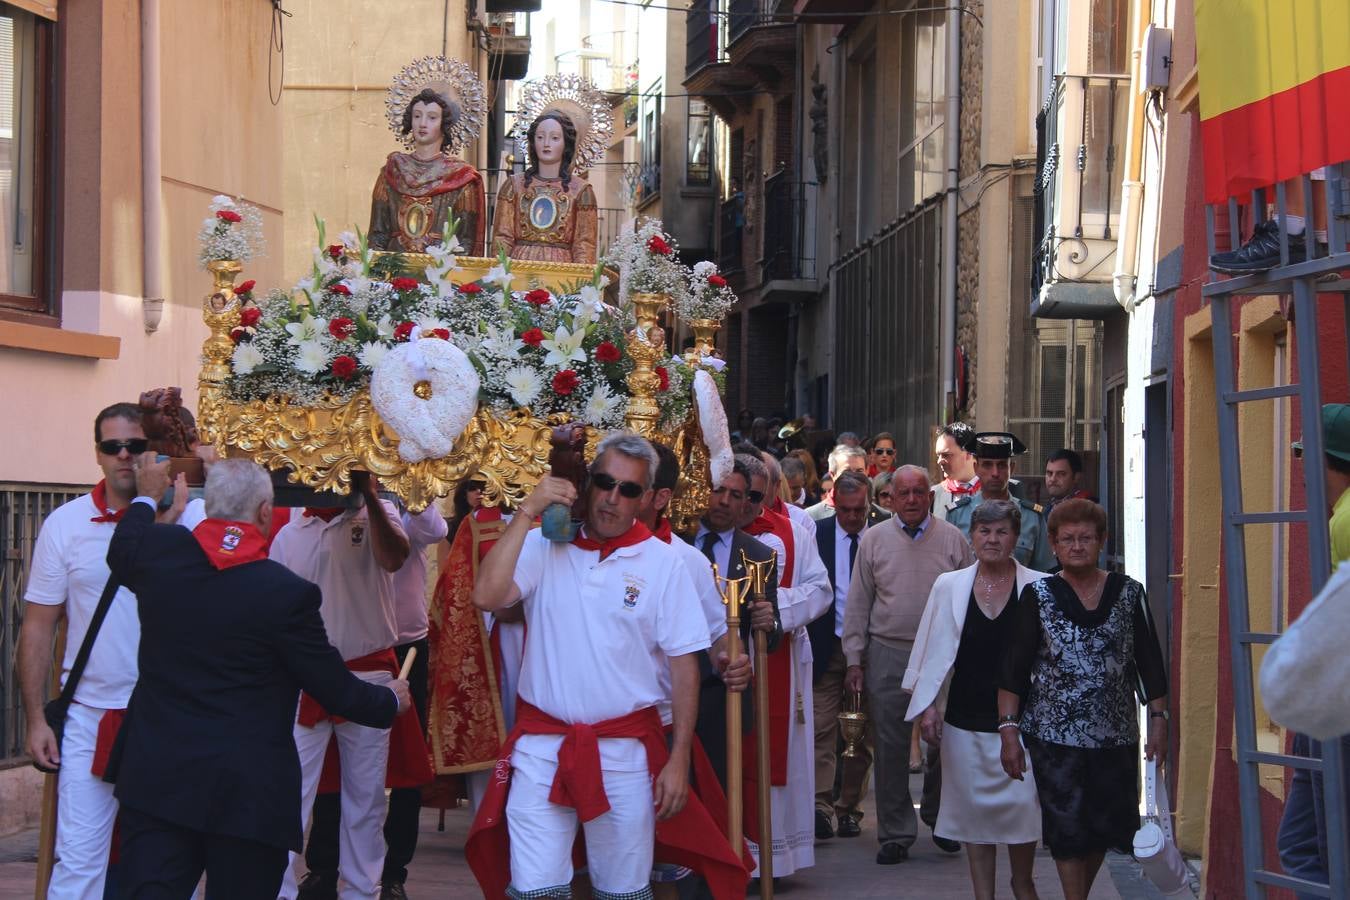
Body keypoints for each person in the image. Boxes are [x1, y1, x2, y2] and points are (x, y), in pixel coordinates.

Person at [101, 457, 410, 897]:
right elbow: (334, 688)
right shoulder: (286, 594)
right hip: (246, 793)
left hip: (159, 780)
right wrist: (390, 700)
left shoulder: (158, 554)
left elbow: (121, 548)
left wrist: (147, 496)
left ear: (209, 508)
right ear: (266, 511)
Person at [464, 432, 751, 899]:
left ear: (646, 499)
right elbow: (486, 596)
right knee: (535, 889)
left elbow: (684, 670)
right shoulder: (542, 545)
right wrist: (526, 512)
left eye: (629, 489)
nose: (613, 497)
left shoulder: (667, 563)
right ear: (586, 483)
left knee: (622, 890)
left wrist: (677, 761)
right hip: (541, 748)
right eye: (604, 482)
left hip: (625, 755)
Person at [999, 499, 1169, 900]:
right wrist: (1008, 730)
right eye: (1067, 539)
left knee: (1106, 828)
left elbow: (1149, 663)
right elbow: (1014, 669)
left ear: (1102, 541)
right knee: (1067, 826)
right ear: (1054, 545)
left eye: (1086, 538)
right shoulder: (1037, 595)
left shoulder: (1129, 593)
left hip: (1117, 736)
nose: (1077, 546)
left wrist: (1159, 720)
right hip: (1055, 738)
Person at [16, 403, 154, 898]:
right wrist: (36, 719)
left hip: (167, 713)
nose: (124, 456)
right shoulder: (65, 523)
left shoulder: (189, 516)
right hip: (89, 715)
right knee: (78, 859)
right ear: (96, 452)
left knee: (162, 859)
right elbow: (37, 630)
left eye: (135, 446)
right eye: (111, 446)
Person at [270, 473, 412, 900]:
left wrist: (367, 495)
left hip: (367, 675)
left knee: (365, 802)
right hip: (305, 682)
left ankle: (361, 892)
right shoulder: (289, 530)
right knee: (288, 795)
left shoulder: (380, 513)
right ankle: (277, 891)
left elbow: (395, 559)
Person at [300, 501, 448, 900]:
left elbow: (433, 530)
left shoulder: (396, 504)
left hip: (399, 650)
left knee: (398, 771)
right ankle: (323, 867)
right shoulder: (315, 518)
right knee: (330, 769)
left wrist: (409, 481)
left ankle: (392, 871)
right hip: (333, 652)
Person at [905, 500, 1047, 900]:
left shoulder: (1039, 586)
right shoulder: (949, 585)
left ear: (1016, 538)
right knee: (974, 824)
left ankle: (1024, 886)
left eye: (1002, 531)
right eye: (984, 531)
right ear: (971, 537)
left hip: (1024, 726)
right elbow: (929, 650)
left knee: (1023, 817)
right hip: (963, 723)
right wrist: (928, 708)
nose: (992, 539)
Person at [842, 465, 975, 864]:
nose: (913, 500)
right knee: (890, 745)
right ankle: (896, 833)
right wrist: (854, 659)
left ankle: (941, 819)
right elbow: (859, 602)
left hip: (943, 654)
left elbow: (968, 599)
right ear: (892, 499)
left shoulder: (953, 540)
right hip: (888, 651)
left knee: (947, 741)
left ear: (929, 497)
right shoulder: (874, 541)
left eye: (920, 492)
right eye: (905, 494)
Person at [640, 441, 752, 898]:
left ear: (659, 496)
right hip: (580, 730)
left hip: (657, 728)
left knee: (666, 855)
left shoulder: (685, 561)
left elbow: (718, 637)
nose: (610, 498)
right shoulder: (572, 547)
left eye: (630, 488)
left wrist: (732, 658)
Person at [737, 451, 832, 880]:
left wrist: (775, 610)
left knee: (778, 752)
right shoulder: (710, 535)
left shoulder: (793, 532)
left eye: (756, 496)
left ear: (772, 491)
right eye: (740, 496)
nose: (748, 507)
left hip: (782, 660)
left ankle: (771, 862)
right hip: (726, 660)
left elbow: (820, 589)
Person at [1274, 402, 1350, 900]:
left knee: (1321, 846)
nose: (1299, 469)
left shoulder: (1343, 522)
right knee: (1303, 842)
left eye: (1303, 455)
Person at [691, 454, 783, 789]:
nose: (724, 501)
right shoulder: (676, 542)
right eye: (718, 490)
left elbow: (769, 637)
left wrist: (768, 622)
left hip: (724, 694)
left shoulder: (758, 556)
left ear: (746, 503)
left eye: (735, 495)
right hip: (676, 685)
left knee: (721, 794)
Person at [808, 471, 876, 840]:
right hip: (826, 647)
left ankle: (849, 807)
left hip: (867, 648)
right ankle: (821, 806)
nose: (853, 518)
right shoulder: (815, 536)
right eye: (846, 510)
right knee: (821, 728)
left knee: (860, 732)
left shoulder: (880, 538)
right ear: (834, 502)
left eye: (860, 511)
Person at [369, 87, 486, 254]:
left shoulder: (460, 177)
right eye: (417, 116)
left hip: (440, 271)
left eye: (432, 118)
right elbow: (377, 234)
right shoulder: (392, 171)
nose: (422, 123)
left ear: (443, 124)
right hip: (395, 267)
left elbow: (465, 241)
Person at [492, 110, 599, 264]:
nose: (546, 143)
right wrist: (499, 273)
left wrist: (580, 281)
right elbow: (502, 236)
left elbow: (585, 243)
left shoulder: (581, 190)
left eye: (555, 138)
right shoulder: (514, 185)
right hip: (518, 266)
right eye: (540, 137)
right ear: (533, 142)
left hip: (562, 270)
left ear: (565, 143)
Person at [948, 433, 1054, 571]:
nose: (995, 473)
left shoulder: (1032, 517)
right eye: (987, 465)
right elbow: (949, 568)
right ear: (976, 468)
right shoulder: (957, 515)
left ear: (1012, 468)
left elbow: (1043, 572)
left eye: (1002, 465)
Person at [805, 445, 871, 521]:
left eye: (859, 471)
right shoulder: (810, 516)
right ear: (832, 475)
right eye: (847, 472)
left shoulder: (881, 515)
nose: (854, 477)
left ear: (867, 471)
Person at [931, 422, 979, 521]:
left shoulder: (993, 492)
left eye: (946, 455)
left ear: (969, 453)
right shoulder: (933, 495)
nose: (939, 461)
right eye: (938, 455)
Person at [1043, 449, 1095, 514]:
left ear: (1076, 477)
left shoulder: (1087, 508)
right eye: (1049, 473)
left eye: (1061, 474)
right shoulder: (1049, 507)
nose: (1053, 479)